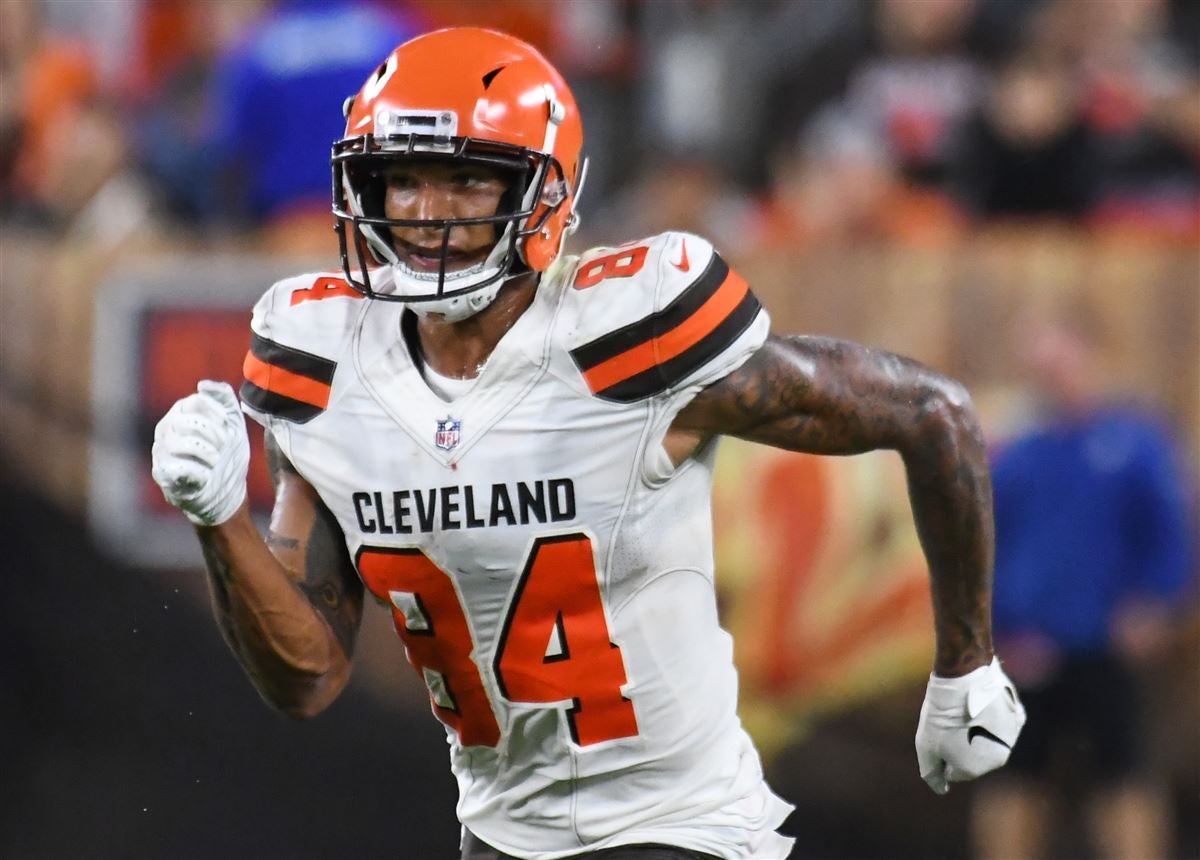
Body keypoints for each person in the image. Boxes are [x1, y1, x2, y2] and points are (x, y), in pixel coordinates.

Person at [150, 28, 1025, 860]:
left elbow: (930, 411)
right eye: (402, 181)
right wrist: (219, 516)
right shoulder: (322, 363)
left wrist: (965, 664)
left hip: (681, 827)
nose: (426, 214)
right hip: (498, 832)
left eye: (465, 182)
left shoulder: (627, 333)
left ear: (544, 193)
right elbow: (307, 677)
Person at [972, 308, 1195, 860]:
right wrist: (996, 630)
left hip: (1106, 644)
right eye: (1041, 366)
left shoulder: (1135, 444)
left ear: (1091, 358)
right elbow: (984, 550)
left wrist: (1156, 606)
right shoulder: (1017, 454)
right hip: (1028, 649)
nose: (1053, 375)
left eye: (1062, 362)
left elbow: (1171, 537)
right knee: (1013, 780)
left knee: (1124, 776)